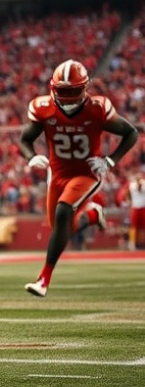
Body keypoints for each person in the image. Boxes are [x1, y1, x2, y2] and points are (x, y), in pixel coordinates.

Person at [21, 60, 138, 297]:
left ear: (85, 88)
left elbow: (131, 133)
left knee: (64, 211)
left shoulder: (98, 108)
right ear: (53, 89)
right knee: (60, 228)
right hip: (57, 173)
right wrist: (31, 157)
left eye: (74, 91)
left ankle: (43, 278)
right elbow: (25, 139)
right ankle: (92, 215)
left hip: (86, 172)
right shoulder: (43, 107)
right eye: (64, 92)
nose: (69, 98)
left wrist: (110, 160)